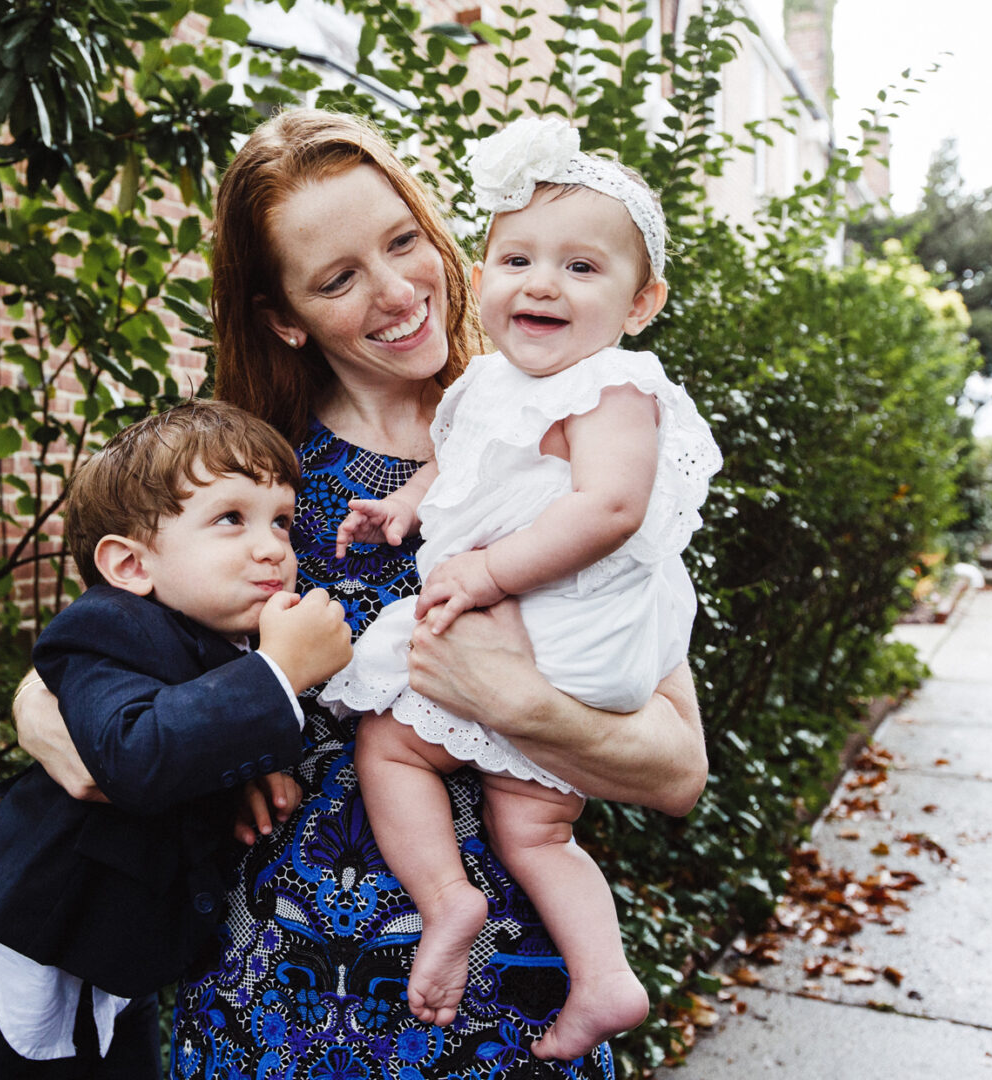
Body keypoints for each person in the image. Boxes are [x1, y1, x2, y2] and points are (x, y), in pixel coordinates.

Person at [15, 107, 709, 1080]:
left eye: (403, 242)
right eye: (339, 278)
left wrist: (517, 705)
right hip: (275, 997)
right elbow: (86, 670)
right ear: (284, 316)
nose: (396, 292)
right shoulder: (248, 485)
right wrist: (85, 716)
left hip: (500, 998)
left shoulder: (560, 440)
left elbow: (677, 770)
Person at [318, 117, 722, 1057]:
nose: (542, 283)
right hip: (528, 634)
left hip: (562, 628)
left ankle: (445, 897)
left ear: (641, 302)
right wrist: (405, 504)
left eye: (582, 268)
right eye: (517, 258)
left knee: (391, 744)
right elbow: (461, 468)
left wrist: (490, 571)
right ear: (485, 271)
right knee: (537, 831)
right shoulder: (491, 386)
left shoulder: (616, 388)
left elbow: (613, 507)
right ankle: (606, 977)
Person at [0, 400, 353, 1079]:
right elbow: (134, 753)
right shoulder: (105, 628)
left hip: (123, 946)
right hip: (29, 933)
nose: (273, 546)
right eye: (230, 519)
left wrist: (258, 762)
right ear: (130, 565)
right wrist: (279, 676)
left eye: (281, 521)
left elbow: (207, 730)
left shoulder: (227, 639)